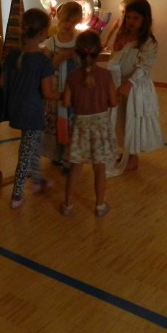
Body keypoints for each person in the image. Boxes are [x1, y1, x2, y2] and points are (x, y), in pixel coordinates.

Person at [0, 8, 61, 209]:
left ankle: (37, 180)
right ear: (43, 33)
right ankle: (17, 194)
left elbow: (2, 82)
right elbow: (48, 93)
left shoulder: (14, 54)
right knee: (26, 151)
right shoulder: (43, 62)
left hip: (16, 109)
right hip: (32, 113)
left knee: (34, 144)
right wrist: (66, 94)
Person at [60, 30, 119, 217]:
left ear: (77, 52)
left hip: (80, 125)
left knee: (75, 168)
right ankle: (100, 206)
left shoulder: (72, 76)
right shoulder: (106, 75)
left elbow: (66, 102)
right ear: (99, 51)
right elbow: (113, 102)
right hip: (100, 126)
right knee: (99, 168)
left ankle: (68, 205)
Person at [106, 0, 164, 174]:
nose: (131, 21)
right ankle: (123, 151)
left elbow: (143, 67)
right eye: (128, 17)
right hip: (118, 83)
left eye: (136, 18)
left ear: (144, 20)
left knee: (133, 119)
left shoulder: (148, 43)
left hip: (136, 88)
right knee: (120, 120)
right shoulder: (122, 36)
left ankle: (132, 156)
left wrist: (128, 84)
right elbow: (115, 59)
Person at [40, 0, 82, 173]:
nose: (68, 25)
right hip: (56, 91)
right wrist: (62, 56)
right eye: (65, 20)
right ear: (59, 18)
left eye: (73, 22)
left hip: (73, 91)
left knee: (71, 122)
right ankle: (57, 155)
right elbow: (47, 68)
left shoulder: (79, 42)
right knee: (57, 122)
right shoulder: (51, 43)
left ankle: (69, 158)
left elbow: (84, 65)